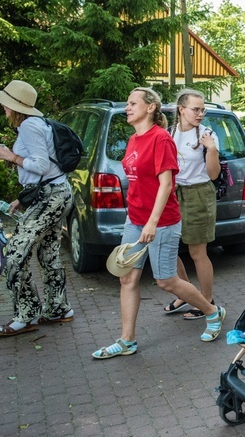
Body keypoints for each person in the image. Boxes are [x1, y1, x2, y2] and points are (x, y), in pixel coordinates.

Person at [93, 88, 225, 359]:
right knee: (127, 278)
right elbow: (138, 181)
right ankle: (127, 340)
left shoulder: (160, 139)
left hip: (161, 220)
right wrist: (134, 216)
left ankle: (213, 312)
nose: (128, 108)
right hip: (136, 219)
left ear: (150, 108)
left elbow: (167, 184)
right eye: (127, 103)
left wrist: (151, 223)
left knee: (166, 280)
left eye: (133, 103)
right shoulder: (134, 139)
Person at [0, 80, 74, 336]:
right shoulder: (37, 124)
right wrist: (23, 199)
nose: (3, 107)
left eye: (6, 103)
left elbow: (40, 166)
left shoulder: (29, 126)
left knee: (14, 253)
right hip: (53, 194)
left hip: (52, 197)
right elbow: (46, 171)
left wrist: (10, 156)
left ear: (16, 107)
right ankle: (59, 309)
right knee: (47, 254)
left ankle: (26, 316)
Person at [163, 89, 221, 319]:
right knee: (168, 246)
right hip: (173, 193)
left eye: (202, 109)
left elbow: (213, 174)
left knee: (197, 252)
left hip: (198, 194)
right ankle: (186, 293)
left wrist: (212, 150)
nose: (200, 114)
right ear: (181, 110)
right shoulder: (169, 133)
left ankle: (206, 300)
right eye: (195, 109)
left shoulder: (206, 135)